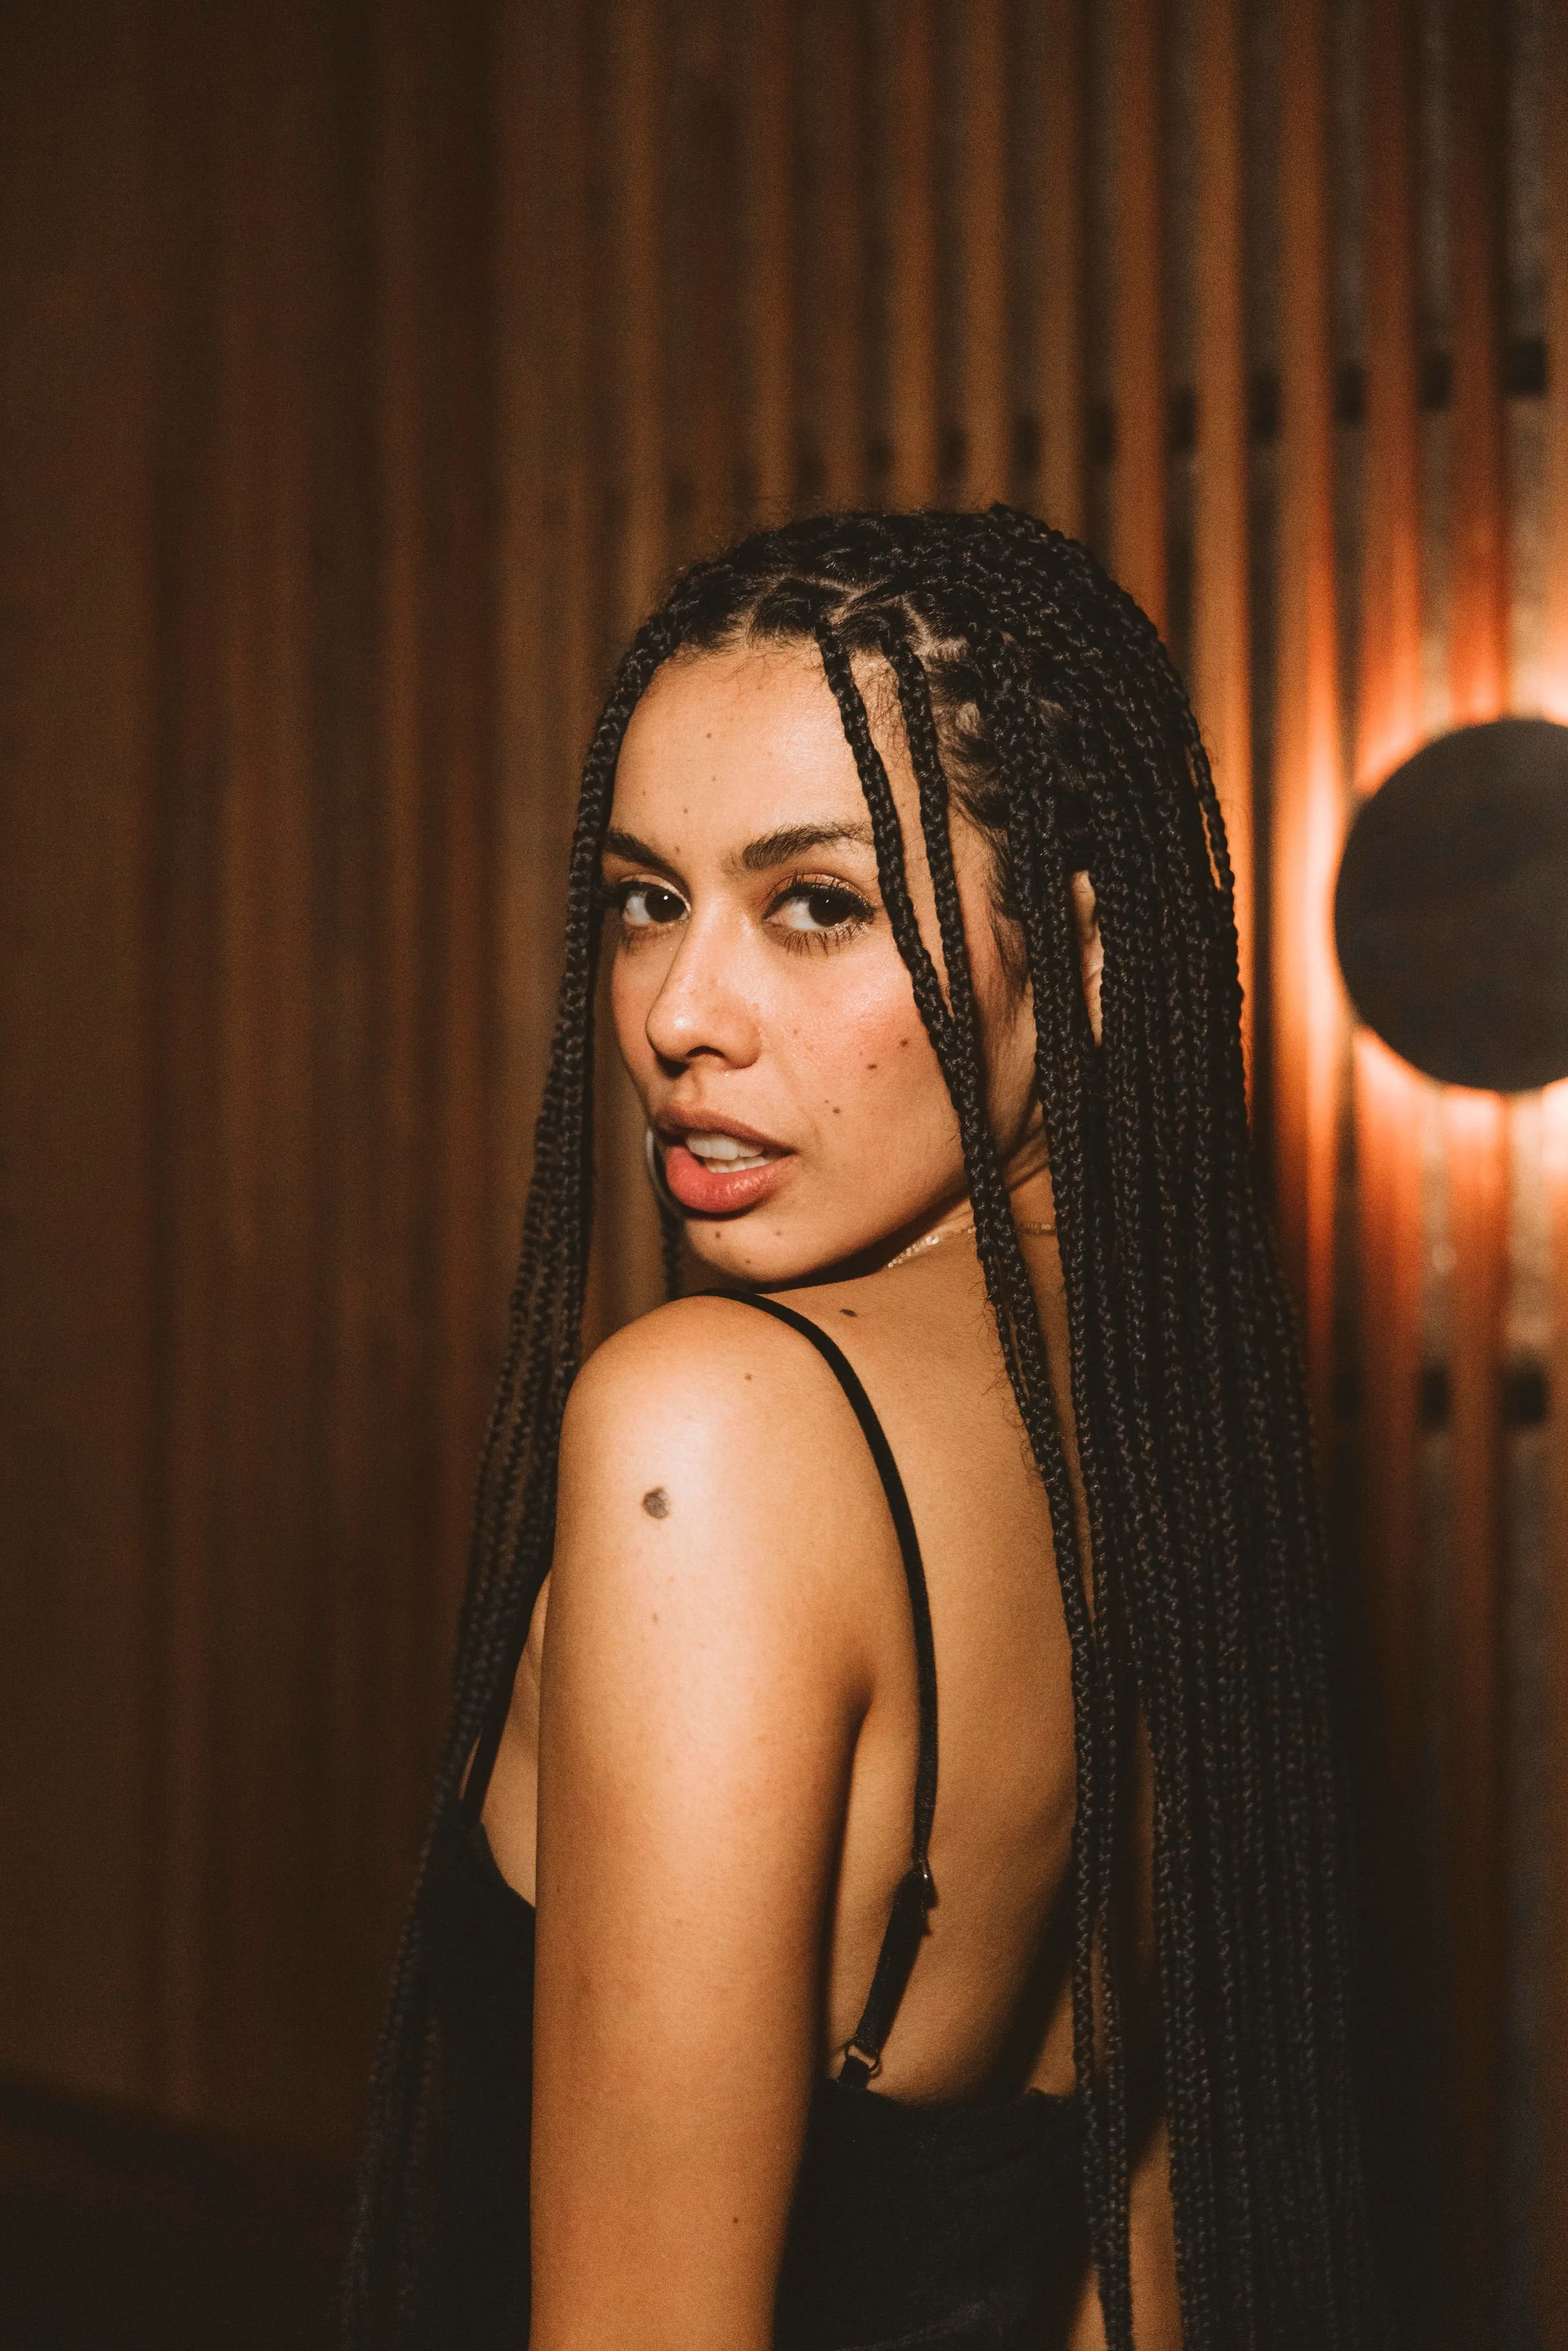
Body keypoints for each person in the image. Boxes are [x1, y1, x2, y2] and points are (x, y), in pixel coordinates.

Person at [344, 509, 1375, 2351]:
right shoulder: (1153, 1445)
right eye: (647, 900)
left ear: (1081, 961)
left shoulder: (712, 1437)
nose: (678, 1014)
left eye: (817, 905)